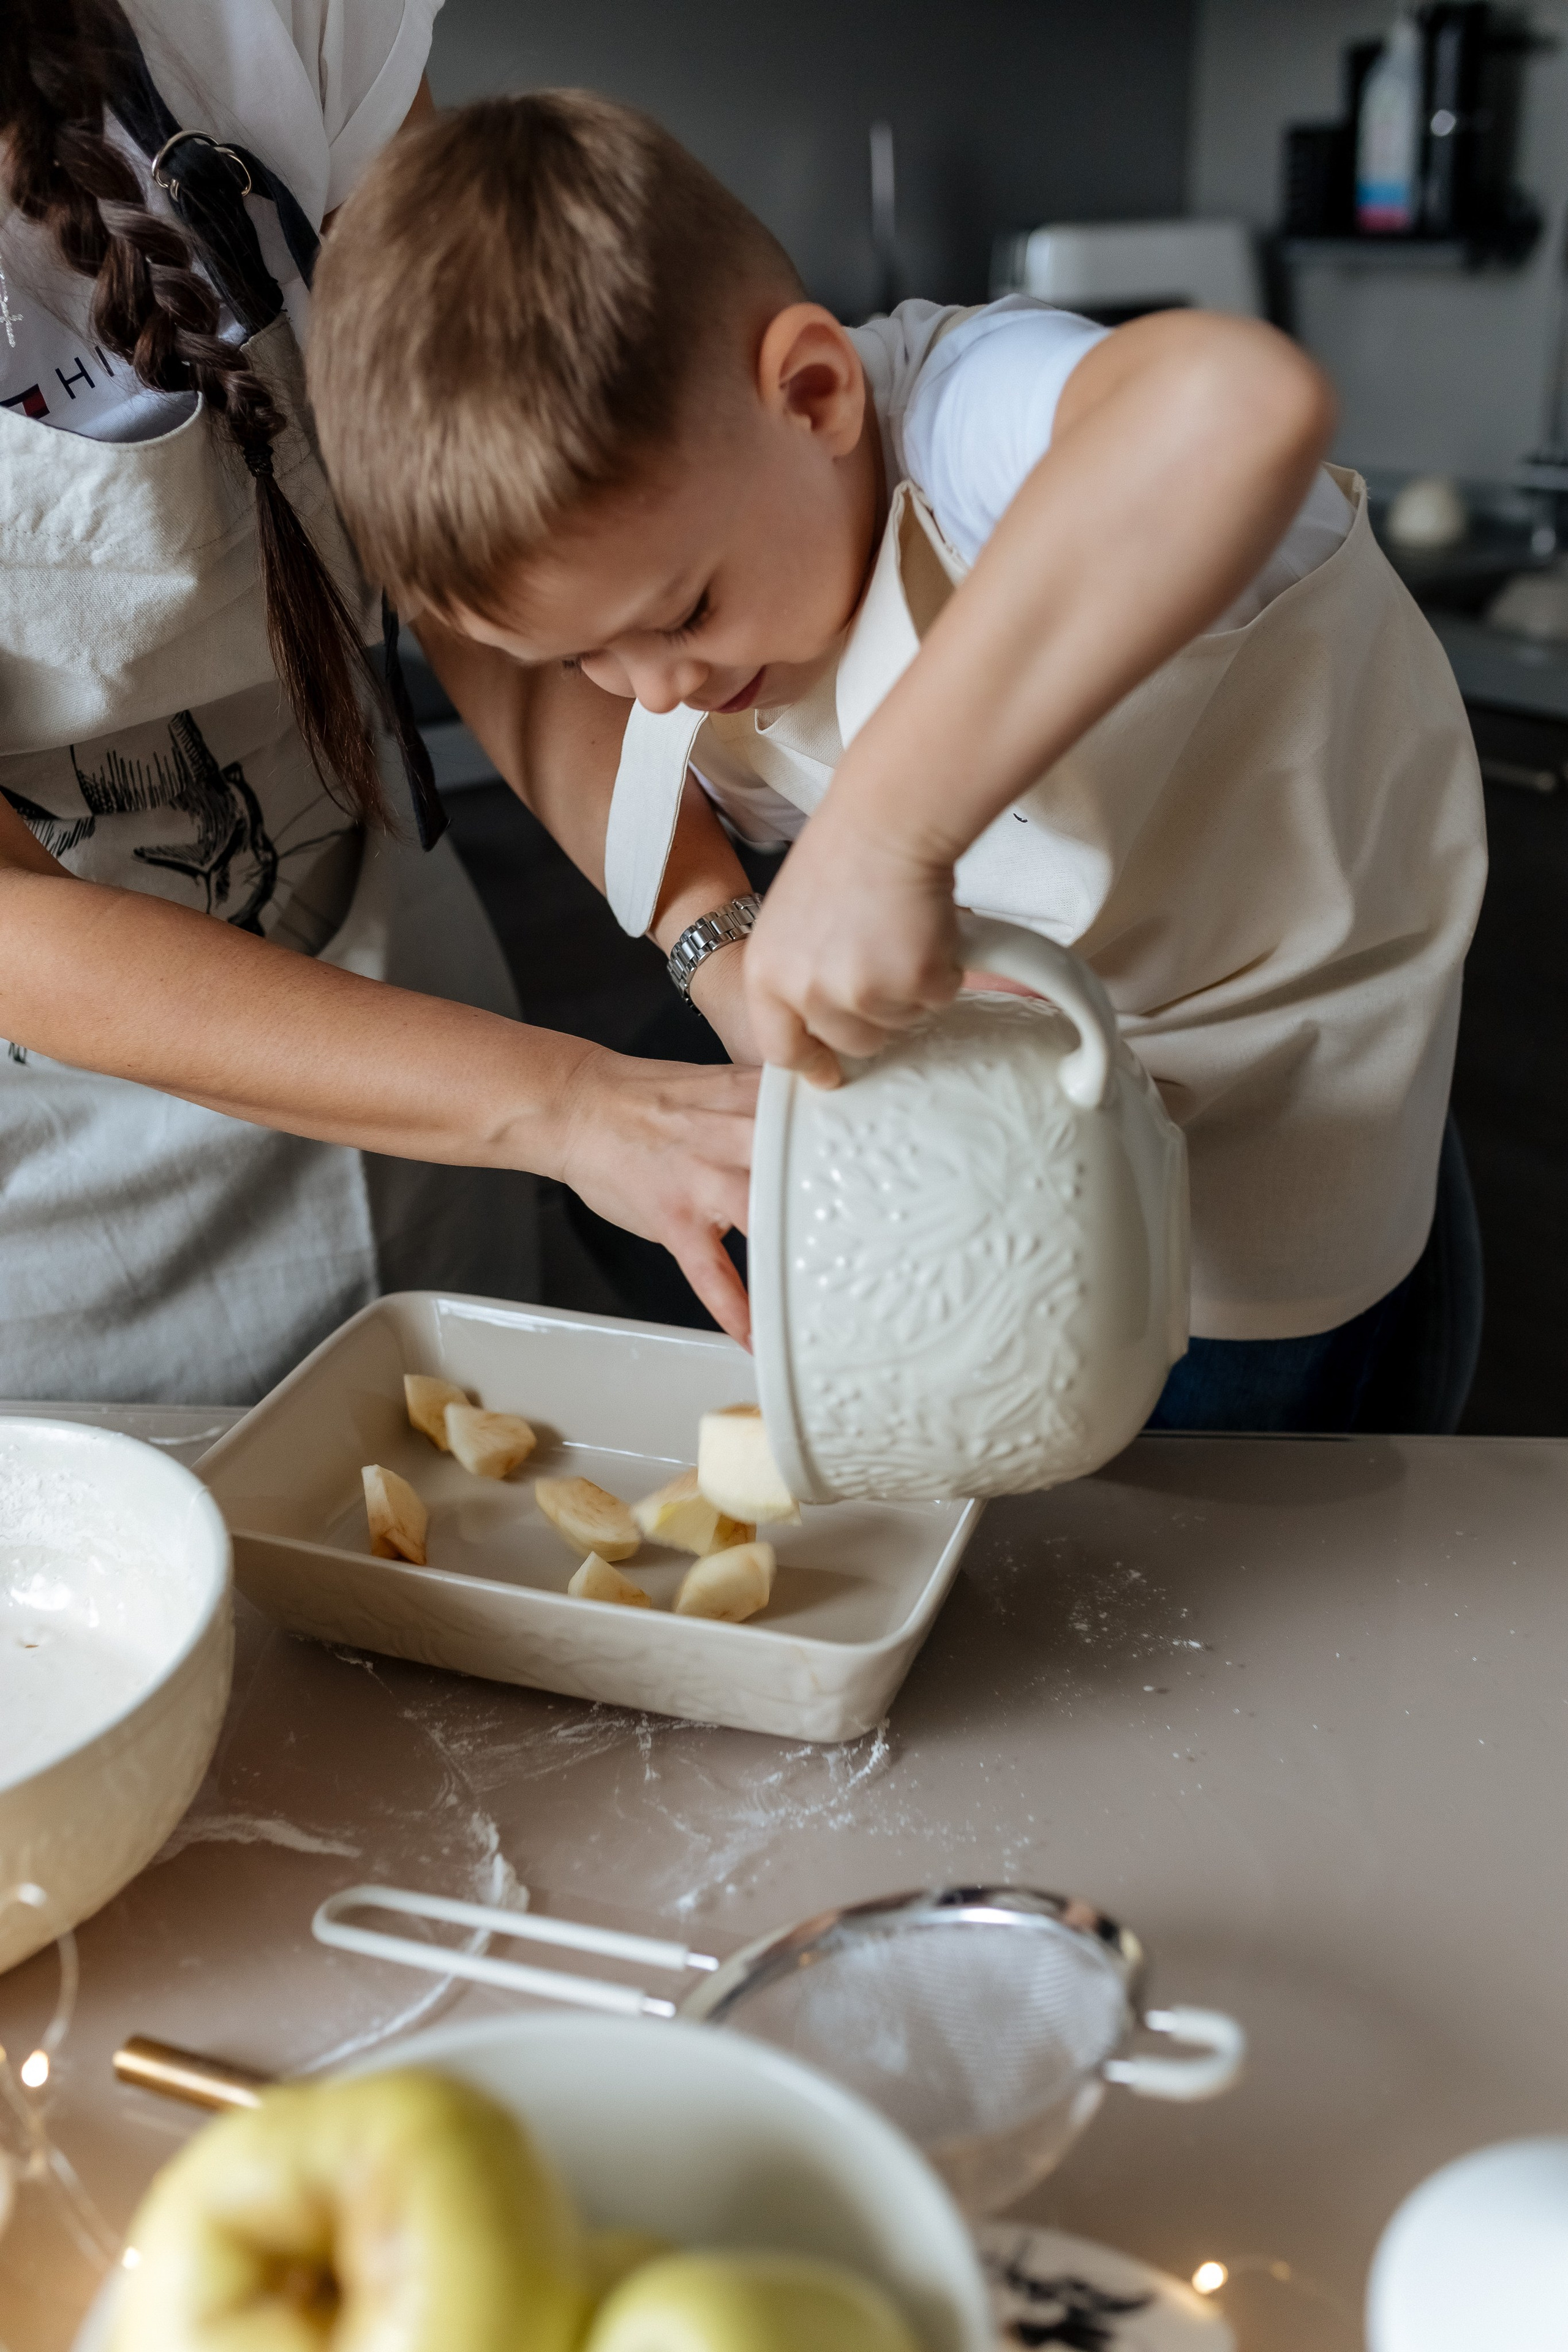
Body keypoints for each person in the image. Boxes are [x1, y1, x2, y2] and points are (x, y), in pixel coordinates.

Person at [307, 91, 1489, 1435]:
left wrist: (881, 834)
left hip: (1286, 1127)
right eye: (590, 657)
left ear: (810, 394)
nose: (656, 692)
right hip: (1043, 1132)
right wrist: (719, 946)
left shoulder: (967, 426)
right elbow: (574, 702)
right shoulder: (680, 579)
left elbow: (1236, 403)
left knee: (1242, 1542)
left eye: (683, 613)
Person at [0, 16, 755, 1407]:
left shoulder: (264, 27)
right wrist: (569, 1103)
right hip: (75, 1230)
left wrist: (718, 940)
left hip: (427, 1003)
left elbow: (492, 552)